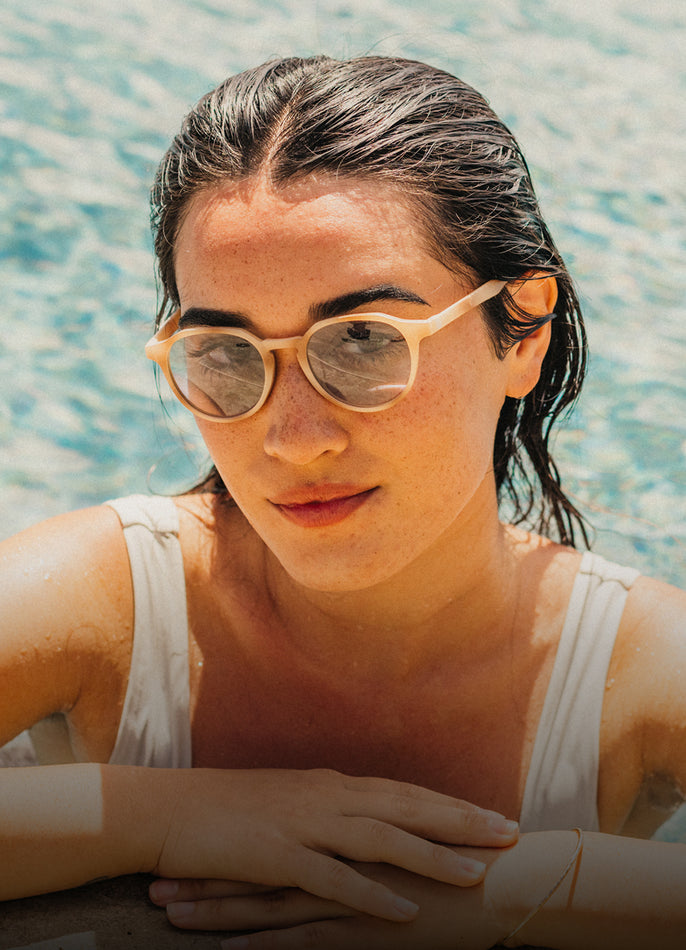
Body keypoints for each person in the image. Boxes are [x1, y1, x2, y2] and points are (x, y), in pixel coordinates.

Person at [2, 53, 686, 949]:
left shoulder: (633, 670)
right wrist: (164, 813)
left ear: (522, 331)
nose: (293, 438)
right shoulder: (108, 599)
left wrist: (518, 889)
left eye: (363, 339)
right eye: (226, 354)